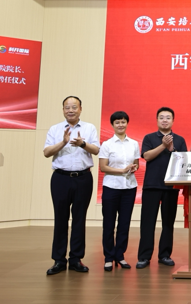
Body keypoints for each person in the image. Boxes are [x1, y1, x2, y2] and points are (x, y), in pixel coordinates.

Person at [43, 96, 100, 275]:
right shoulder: (55, 129)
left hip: (83, 178)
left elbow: (96, 150)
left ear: (80, 109)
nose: (70, 110)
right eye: (67, 107)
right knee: (60, 219)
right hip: (60, 178)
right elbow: (46, 152)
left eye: (74, 107)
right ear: (63, 110)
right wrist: (63, 142)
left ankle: (76, 259)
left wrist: (82, 143)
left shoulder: (89, 128)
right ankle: (59, 260)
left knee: (79, 219)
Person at [136, 107, 187, 269]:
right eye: (161, 117)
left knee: (168, 223)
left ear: (173, 120)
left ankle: (165, 255)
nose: (165, 120)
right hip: (151, 185)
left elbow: (184, 162)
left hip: (171, 186)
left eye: (168, 118)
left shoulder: (180, 140)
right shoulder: (149, 137)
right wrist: (163, 146)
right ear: (157, 120)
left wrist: (172, 149)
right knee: (147, 222)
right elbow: (146, 156)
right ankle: (144, 256)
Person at [98, 111, 139, 271]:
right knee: (109, 223)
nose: (120, 125)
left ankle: (120, 255)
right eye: (117, 122)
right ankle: (108, 257)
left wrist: (133, 168)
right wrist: (122, 171)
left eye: (123, 122)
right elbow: (103, 167)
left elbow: (136, 163)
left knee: (124, 223)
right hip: (111, 187)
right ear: (112, 125)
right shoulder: (107, 144)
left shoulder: (134, 143)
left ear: (127, 123)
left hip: (129, 187)